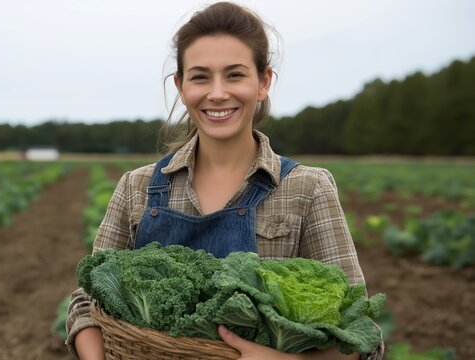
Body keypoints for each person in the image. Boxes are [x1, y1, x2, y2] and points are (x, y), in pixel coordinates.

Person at [66, 2, 384, 359]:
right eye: (200, 76)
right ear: (181, 86)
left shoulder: (307, 189)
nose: (217, 93)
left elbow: (359, 328)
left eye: (234, 75)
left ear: (263, 82)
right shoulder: (136, 187)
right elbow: (86, 303)